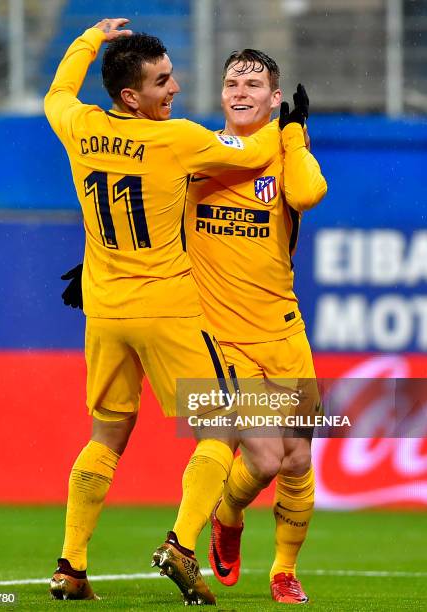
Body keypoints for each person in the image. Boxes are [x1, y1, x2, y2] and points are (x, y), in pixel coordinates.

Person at [44, 17, 285, 605]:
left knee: (107, 434)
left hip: (104, 310)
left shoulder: (79, 126)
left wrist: (88, 40)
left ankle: (70, 565)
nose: (174, 89)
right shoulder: (176, 139)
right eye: (162, 81)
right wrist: (286, 122)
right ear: (133, 96)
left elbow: (56, 92)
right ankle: (180, 544)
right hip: (169, 307)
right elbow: (252, 151)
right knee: (221, 427)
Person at [184, 51, 327, 604]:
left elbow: (308, 195)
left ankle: (283, 571)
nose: (240, 90)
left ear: (273, 97)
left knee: (297, 459)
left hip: (283, 329)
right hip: (220, 337)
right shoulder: (197, 150)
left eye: (254, 83)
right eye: (231, 82)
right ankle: (228, 511)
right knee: (266, 458)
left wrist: (294, 136)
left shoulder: (287, 155)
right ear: (221, 96)